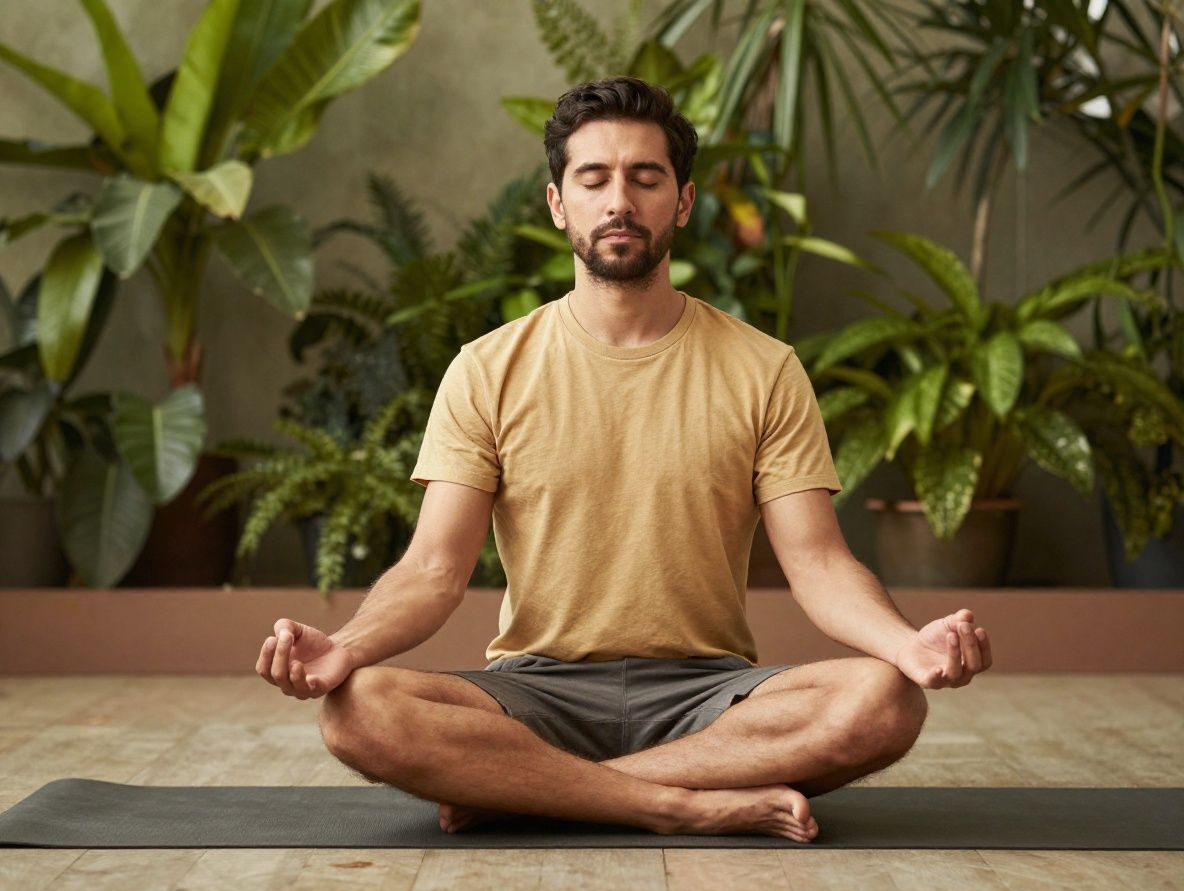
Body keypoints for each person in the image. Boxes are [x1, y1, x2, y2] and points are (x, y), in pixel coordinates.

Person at [256, 77, 992, 843]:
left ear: (681, 202)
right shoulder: (488, 367)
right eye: (594, 178)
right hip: (534, 695)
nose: (619, 201)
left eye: (645, 178)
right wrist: (345, 651)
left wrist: (906, 645)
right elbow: (434, 570)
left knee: (886, 699)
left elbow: (819, 566)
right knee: (359, 712)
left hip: (711, 695)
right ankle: (678, 803)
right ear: (557, 203)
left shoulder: (764, 368)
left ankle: (534, 793)